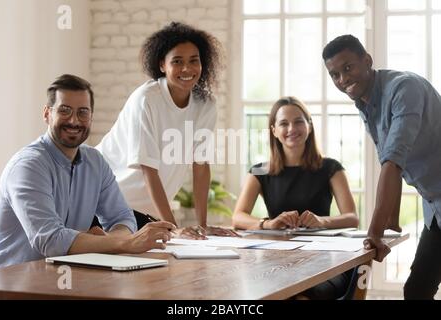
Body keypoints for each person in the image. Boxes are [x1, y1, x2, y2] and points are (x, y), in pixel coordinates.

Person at [0, 74, 174, 269]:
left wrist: (108, 240)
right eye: (65, 110)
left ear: (91, 117)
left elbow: (122, 218)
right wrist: (124, 243)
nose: (74, 121)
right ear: (47, 113)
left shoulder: (95, 161)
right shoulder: (28, 166)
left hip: (61, 277)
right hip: (8, 284)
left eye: (83, 112)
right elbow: (50, 241)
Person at [323, 34, 441, 299]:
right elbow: (390, 159)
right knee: (417, 290)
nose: (342, 79)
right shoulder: (366, 102)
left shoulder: (404, 89)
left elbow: (394, 160)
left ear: (367, 61)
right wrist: (391, 219)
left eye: (348, 68)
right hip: (435, 207)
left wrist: (374, 232)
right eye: (334, 75)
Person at [96, 22, 237, 239]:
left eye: (194, 60)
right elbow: (148, 169)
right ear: (162, 65)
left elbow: (200, 165)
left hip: (145, 211)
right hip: (105, 203)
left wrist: (203, 226)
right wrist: (174, 227)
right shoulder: (146, 99)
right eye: (177, 61)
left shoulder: (205, 105)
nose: (187, 69)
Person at [232, 96, 359, 299]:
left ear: (309, 125)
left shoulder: (330, 168)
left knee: (301, 294)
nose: (292, 128)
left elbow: (352, 217)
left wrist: (322, 221)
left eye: (299, 121)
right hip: (276, 261)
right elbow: (238, 217)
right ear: (274, 130)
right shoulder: (259, 171)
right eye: (284, 123)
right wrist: (268, 224)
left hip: (324, 261)